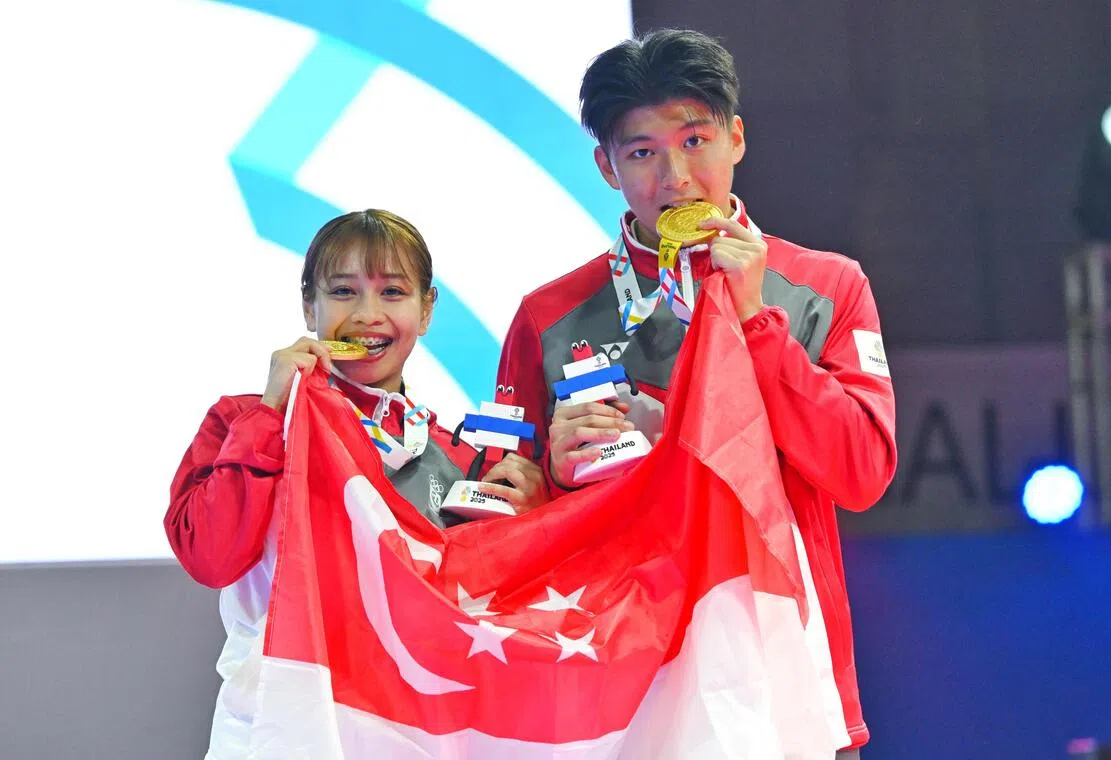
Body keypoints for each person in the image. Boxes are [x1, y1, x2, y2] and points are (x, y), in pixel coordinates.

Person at [495, 29, 896, 758]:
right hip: (615, 702)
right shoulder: (548, 318)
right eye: (642, 152)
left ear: (736, 137)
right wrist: (550, 476)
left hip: (784, 693)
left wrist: (755, 320)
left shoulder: (825, 288)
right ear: (607, 166)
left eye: (694, 140)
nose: (675, 176)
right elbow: (500, 522)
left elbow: (861, 472)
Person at [166, 209, 549, 759]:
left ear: (426, 309)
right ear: (309, 306)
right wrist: (272, 410)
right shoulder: (247, 421)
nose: (368, 315)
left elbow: (482, 623)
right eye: (343, 291)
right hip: (282, 731)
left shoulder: (458, 456)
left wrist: (531, 524)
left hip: (413, 736)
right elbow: (211, 556)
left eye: (393, 292)